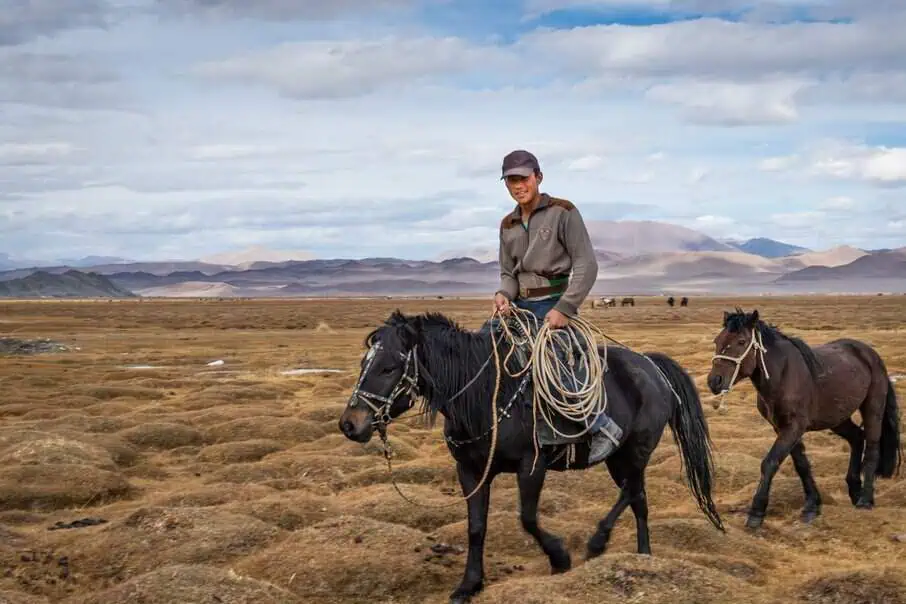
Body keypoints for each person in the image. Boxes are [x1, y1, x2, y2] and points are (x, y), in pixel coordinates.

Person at [491, 149, 622, 465]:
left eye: (523, 178)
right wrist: (503, 295)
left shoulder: (563, 212)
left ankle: (601, 426)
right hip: (518, 308)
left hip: (553, 303)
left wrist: (565, 307)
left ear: (538, 177)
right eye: (511, 180)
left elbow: (586, 264)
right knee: (480, 354)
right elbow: (509, 274)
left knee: (549, 363)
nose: (517, 185)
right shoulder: (507, 224)